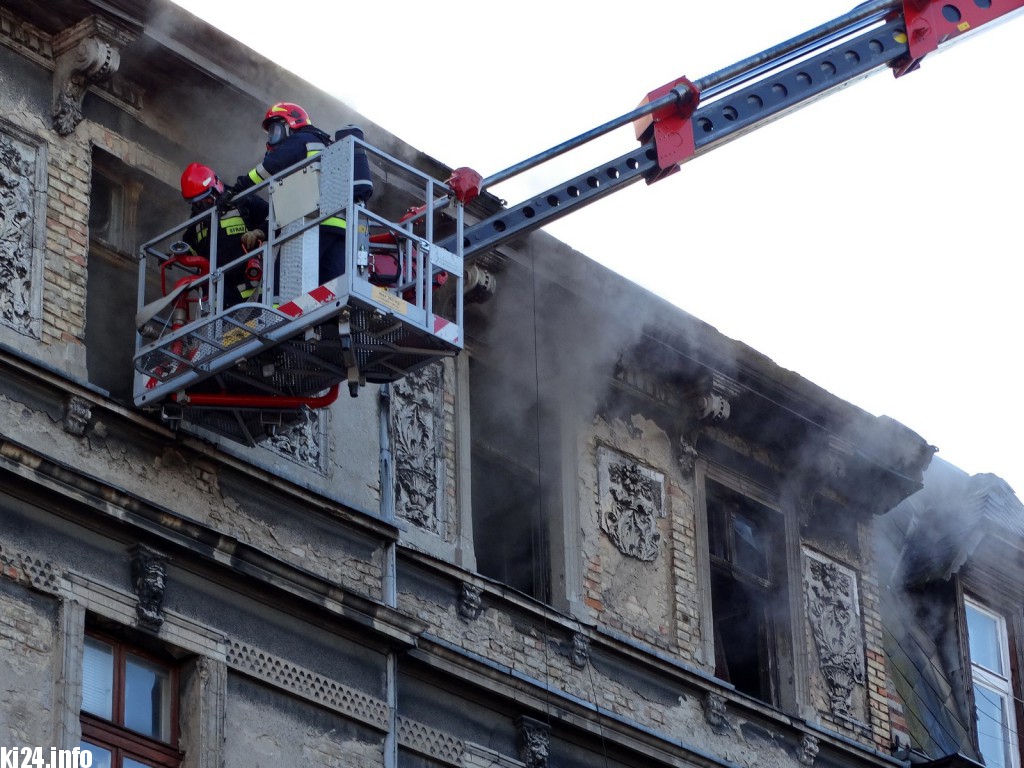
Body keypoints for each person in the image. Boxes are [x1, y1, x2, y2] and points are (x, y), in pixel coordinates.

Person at [229, 102, 372, 285]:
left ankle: (275, 315)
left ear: (290, 124)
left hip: (313, 225)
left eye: (275, 130)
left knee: (280, 285)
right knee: (330, 290)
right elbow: (285, 207)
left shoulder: (303, 139)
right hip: (340, 229)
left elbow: (268, 168)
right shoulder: (310, 155)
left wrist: (239, 188)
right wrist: (261, 231)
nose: (272, 138)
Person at [179, 162, 269, 308]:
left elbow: (273, 216)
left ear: (216, 188)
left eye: (205, 200)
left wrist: (259, 233)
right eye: (196, 204)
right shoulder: (196, 222)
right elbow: (190, 245)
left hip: (253, 290)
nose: (202, 207)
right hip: (219, 298)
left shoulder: (242, 201)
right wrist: (178, 253)